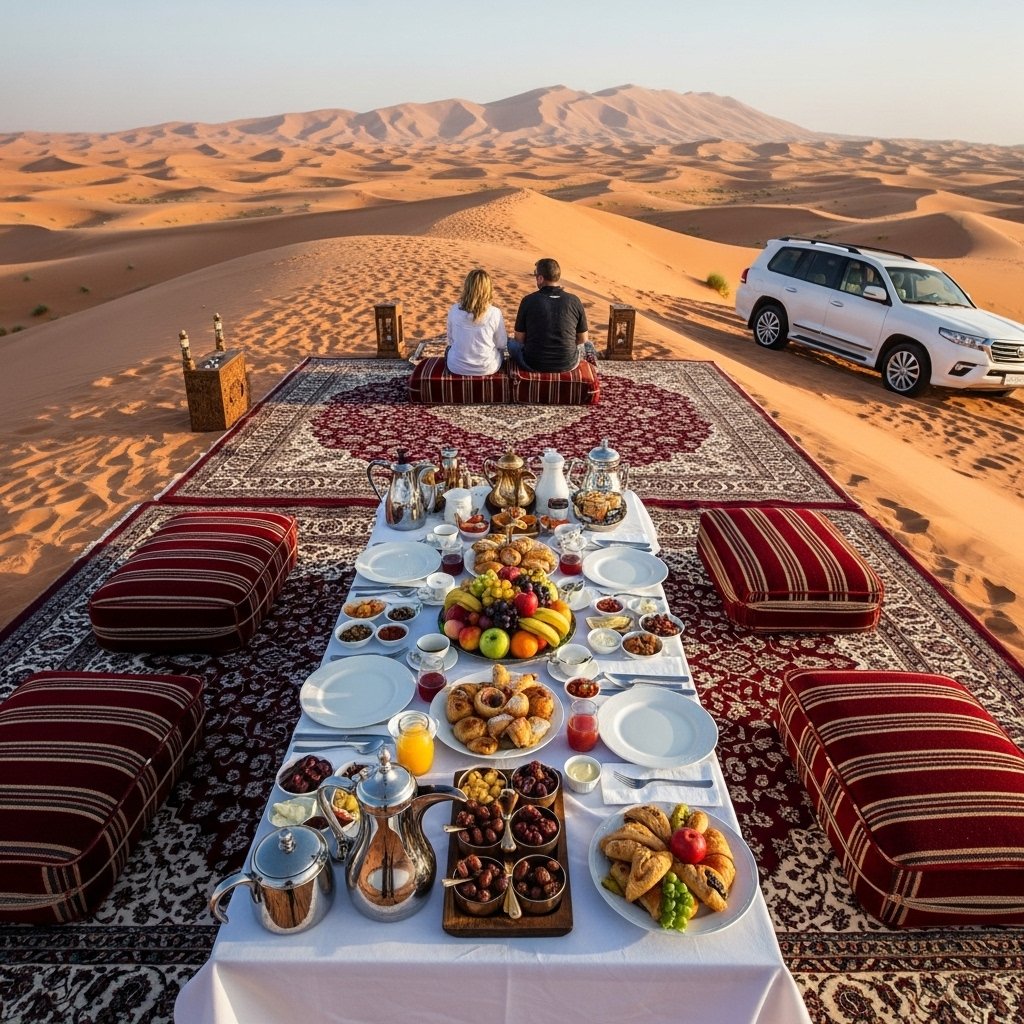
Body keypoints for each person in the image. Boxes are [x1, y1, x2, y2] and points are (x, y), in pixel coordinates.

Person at [509, 258, 592, 373]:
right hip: (568, 364)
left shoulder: (528, 300)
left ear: (540, 278)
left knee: (511, 344)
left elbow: (519, 339)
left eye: (536, 275)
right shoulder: (574, 301)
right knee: (589, 345)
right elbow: (583, 338)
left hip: (532, 364)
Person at [445, 268, 508, 376]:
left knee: (448, 349)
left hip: (456, 366)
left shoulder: (454, 309)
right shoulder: (495, 313)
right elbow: (501, 344)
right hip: (487, 368)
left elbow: (450, 340)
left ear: (467, 287)